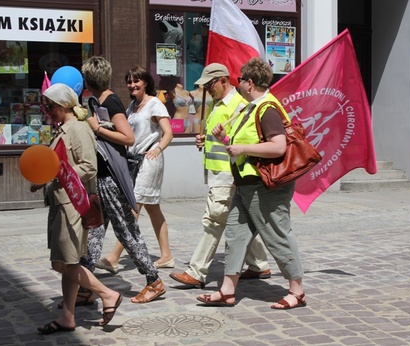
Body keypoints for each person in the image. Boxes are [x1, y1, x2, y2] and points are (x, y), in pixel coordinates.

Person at [197, 57, 305, 309]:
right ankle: (227, 290)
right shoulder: (250, 107)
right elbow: (240, 148)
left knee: (277, 235)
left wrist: (241, 147)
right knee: (235, 235)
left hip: (265, 186)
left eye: (241, 80)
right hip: (245, 184)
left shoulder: (267, 107)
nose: (238, 84)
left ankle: (297, 291)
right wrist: (226, 140)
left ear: (251, 82)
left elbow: (278, 146)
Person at [169, 63, 271, 289]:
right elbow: (219, 137)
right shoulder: (218, 104)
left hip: (228, 173)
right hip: (219, 172)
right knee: (241, 220)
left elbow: (243, 140)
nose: (206, 89)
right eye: (204, 85)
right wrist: (203, 140)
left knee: (214, 220)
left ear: (224, 81)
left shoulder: (240, 105)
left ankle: (197, 271)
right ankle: (259, 264)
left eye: (210, 84)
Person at [34, 83, 122, 334]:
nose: (47, 111)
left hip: (72, 204)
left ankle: (107, 294)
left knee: (63, 263)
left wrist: (58, 177)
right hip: (61, 203)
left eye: (50, 106)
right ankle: (68, 317)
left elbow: (89, 167)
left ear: (63, 105)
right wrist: (45, 178)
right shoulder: (64, 129)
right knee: (67, 260)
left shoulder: (79, 129)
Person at [81, 56, 165, 304]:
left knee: (127, 231)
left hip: (112, 180)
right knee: (94, 232)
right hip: (102, 178)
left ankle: (154, 281)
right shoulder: (97, 101)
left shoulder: (112, 102)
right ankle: (86, 285)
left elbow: (127, 138)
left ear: (89, 79)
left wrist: (96, 128)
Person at [95, 66, 174, 270]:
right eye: (129, 81)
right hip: (133, 160)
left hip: (149, 160)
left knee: (133, 207)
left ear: (145, 82)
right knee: (153, 208)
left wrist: (158, 149)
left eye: (136, 81)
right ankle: (166, 256)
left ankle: (113, 257)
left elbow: (168, 133)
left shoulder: (154, 104)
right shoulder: (131, 106)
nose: (132, 85)